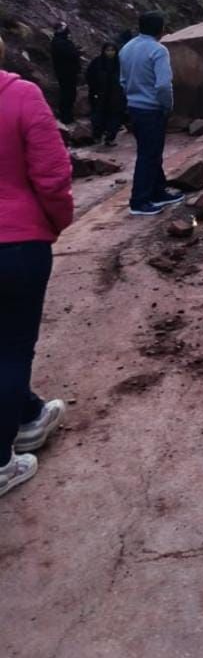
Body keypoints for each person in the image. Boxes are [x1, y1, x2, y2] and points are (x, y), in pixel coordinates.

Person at [0, 34, 74, 499]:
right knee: (11, 347)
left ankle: (27, 415)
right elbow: (52, 175)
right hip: (17, 244)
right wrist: (56, 221)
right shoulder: (21, 96)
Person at [118, 12, 184, 216]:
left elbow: (122, 80)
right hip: (152, 108)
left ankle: (158, 191)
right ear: (160, 29)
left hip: (134, 107)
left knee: (151, 152)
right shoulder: (158, 50)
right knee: (148, 155)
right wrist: (167, 105)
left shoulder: (126, 48)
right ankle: (139, 200)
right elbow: (163, 84)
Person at [85, 43, 126, 145]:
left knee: (115, 117)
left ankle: (110, 137)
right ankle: (97, 135)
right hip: (100, 95)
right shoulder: (97, 62)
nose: (110, 52)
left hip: (116, 95)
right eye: (108, 50)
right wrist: (94, 90)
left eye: (112, 50)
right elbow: (90, 76)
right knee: (98, 116)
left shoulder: (119, 63)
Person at [49, 23, 82, 125]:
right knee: (67, 94)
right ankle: (66, 117)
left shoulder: (60, 41)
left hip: (66, 72)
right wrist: (76, 52)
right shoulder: (60, 42)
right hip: (66, 73)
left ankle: (67, 115)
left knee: (68, 94)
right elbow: (70, 54)